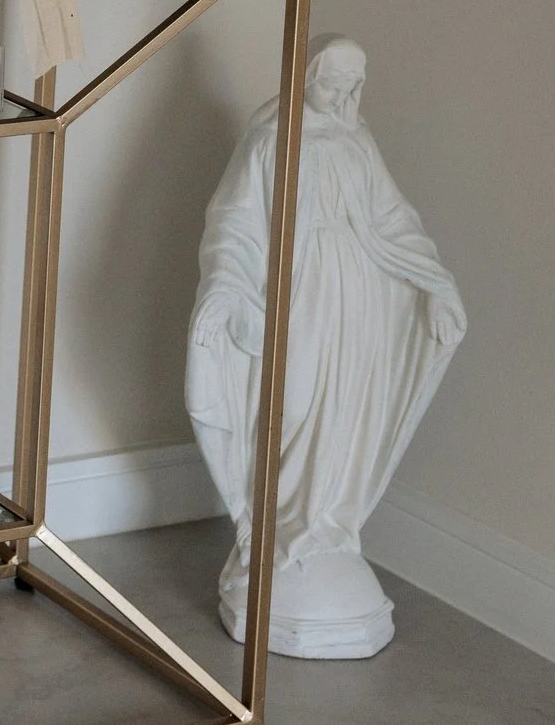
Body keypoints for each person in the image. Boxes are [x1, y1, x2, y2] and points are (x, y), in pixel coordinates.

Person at [187, 35, 464, 657]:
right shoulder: (270, 142)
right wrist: (227, 292)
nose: (340, 96)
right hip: (295, 294)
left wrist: (437, 285)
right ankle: (276, 534)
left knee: (344, 416)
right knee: (290, 406)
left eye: (351, 85)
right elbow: (235, 225)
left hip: (357, 298)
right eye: (329, 82)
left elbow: (393, 220)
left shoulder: (357, 142)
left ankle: (327, 531)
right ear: (303, 77)